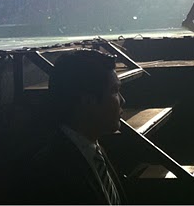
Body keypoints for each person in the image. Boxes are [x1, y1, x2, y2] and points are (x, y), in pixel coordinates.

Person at [18, 49, 126, 204]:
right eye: (114, 91)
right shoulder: (48, 172)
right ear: (87, 101)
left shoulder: (95, 150)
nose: (122, 100)